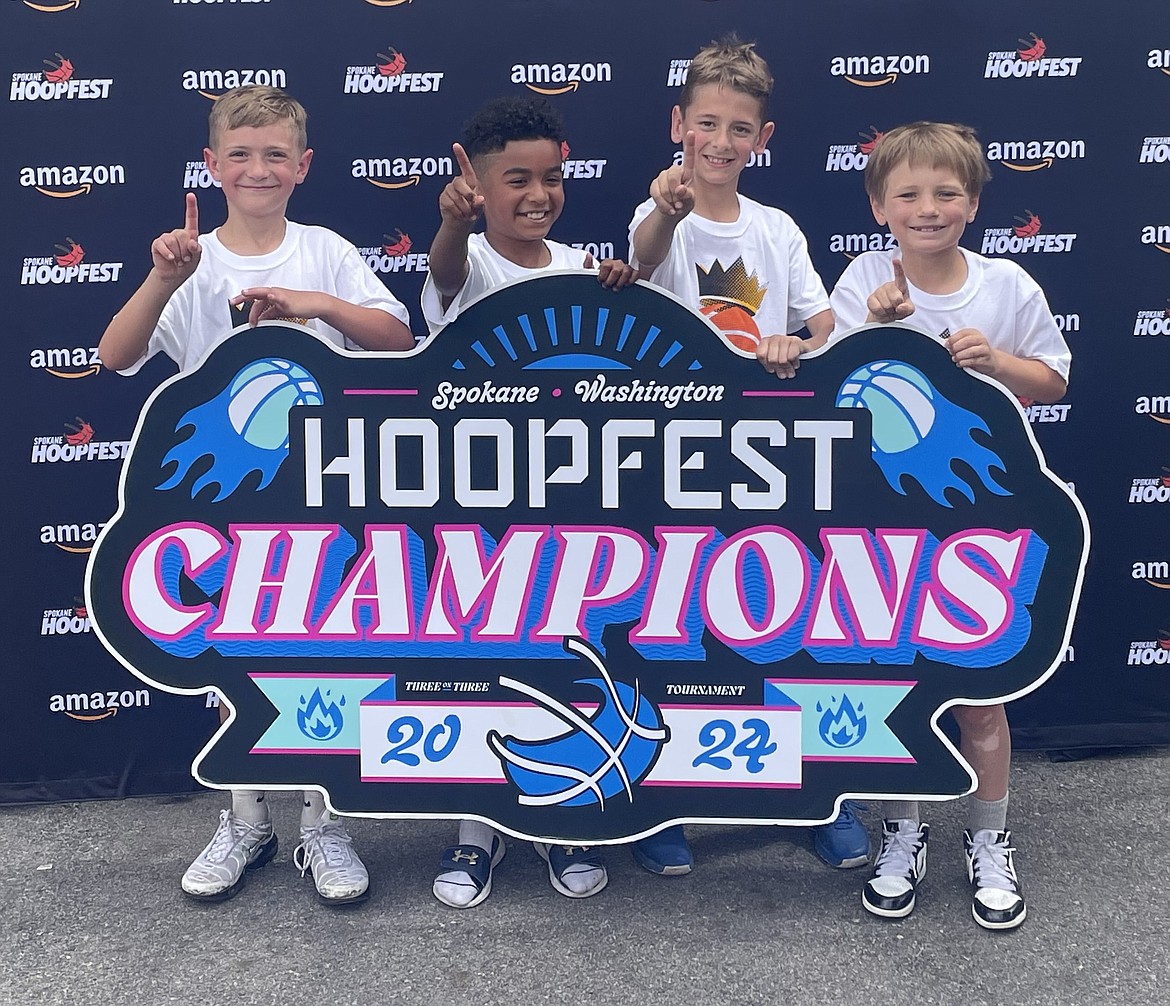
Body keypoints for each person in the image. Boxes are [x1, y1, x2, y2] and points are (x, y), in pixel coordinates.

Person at [99, 85, 414, 905]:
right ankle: (246, 819)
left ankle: (323, 820)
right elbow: (115, 353)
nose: (258, 168)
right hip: (220, 503)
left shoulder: (325, 250)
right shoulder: (191, 262)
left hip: (321, 498)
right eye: (240, 154)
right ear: (211, 166)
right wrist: (166, 279)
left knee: (322, 654)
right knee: (227, 658)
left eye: (276, 154)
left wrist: (311, 306)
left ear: (303, 167)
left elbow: (397, 337)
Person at [627, 35, 868, 877]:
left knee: (780, 625)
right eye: (706, 124)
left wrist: (793, 343)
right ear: (677, 126)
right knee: (675, 628)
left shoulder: (779, 227)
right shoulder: (658, 211)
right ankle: (662, 802)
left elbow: (823, 322)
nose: (720, 143)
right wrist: (666, 208)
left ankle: (811, 797)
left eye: (739, 128)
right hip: (676, 452)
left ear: (762, 139)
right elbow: (647, 257)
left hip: (767, 451)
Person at [829, 121, 1071, 930]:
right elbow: (833, 382)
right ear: (878, 206)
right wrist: (879, 325)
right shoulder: (864, 276)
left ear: (972, 201)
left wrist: (996, 363)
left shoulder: (1007, 286)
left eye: (946, 193)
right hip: (890, 524)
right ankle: (904, 828)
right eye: (909, 195)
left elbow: (1052, 382)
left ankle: (990, 838)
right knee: (903, 685)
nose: (927, 209)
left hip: (987, 521)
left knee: (981, 697)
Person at [421, 94, 636, 907]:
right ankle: (478, 830)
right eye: (516, 180)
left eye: (552, 178)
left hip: (575, 521)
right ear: (472, 179)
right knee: (486, 671)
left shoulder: (585, 265)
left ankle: (560, 821)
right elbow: (446, 273)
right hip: (480, 517)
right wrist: (449, 224)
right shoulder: (470, 260)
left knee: (565, 668)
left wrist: (621, 287)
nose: (538, 195)